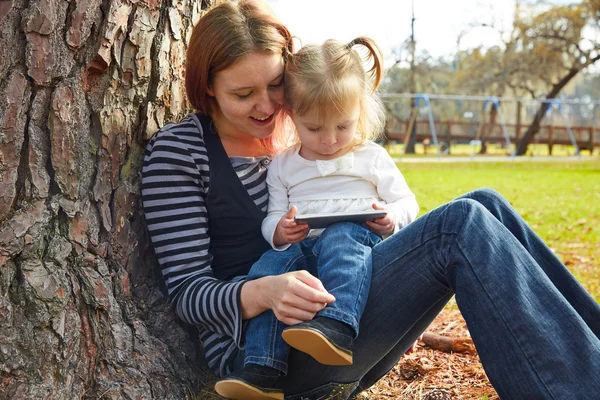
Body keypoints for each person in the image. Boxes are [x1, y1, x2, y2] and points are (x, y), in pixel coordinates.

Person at [141, 1, 600, 399]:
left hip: (344, 316)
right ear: (207, 88)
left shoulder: (300, 132)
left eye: (276, 85)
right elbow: (186, 293)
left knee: (488, 203)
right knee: (459, 225)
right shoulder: (181, 153)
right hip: (268, 356)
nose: (267, 106)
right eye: (243, 94)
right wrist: (264, 292)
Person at [214, 36, 419, 400]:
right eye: (314, 128)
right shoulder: (284, 165)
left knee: (341, 235)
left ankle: (337, 328)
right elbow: (273, 215)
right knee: (270, 265)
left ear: (360, 112)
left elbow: (406, 201)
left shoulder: (370, 157)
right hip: (306, 248)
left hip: (357, 246)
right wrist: (280, 230)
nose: (329, 141)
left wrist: (391, 218)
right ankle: (262, 368)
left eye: (343, 126)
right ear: (292, 115)